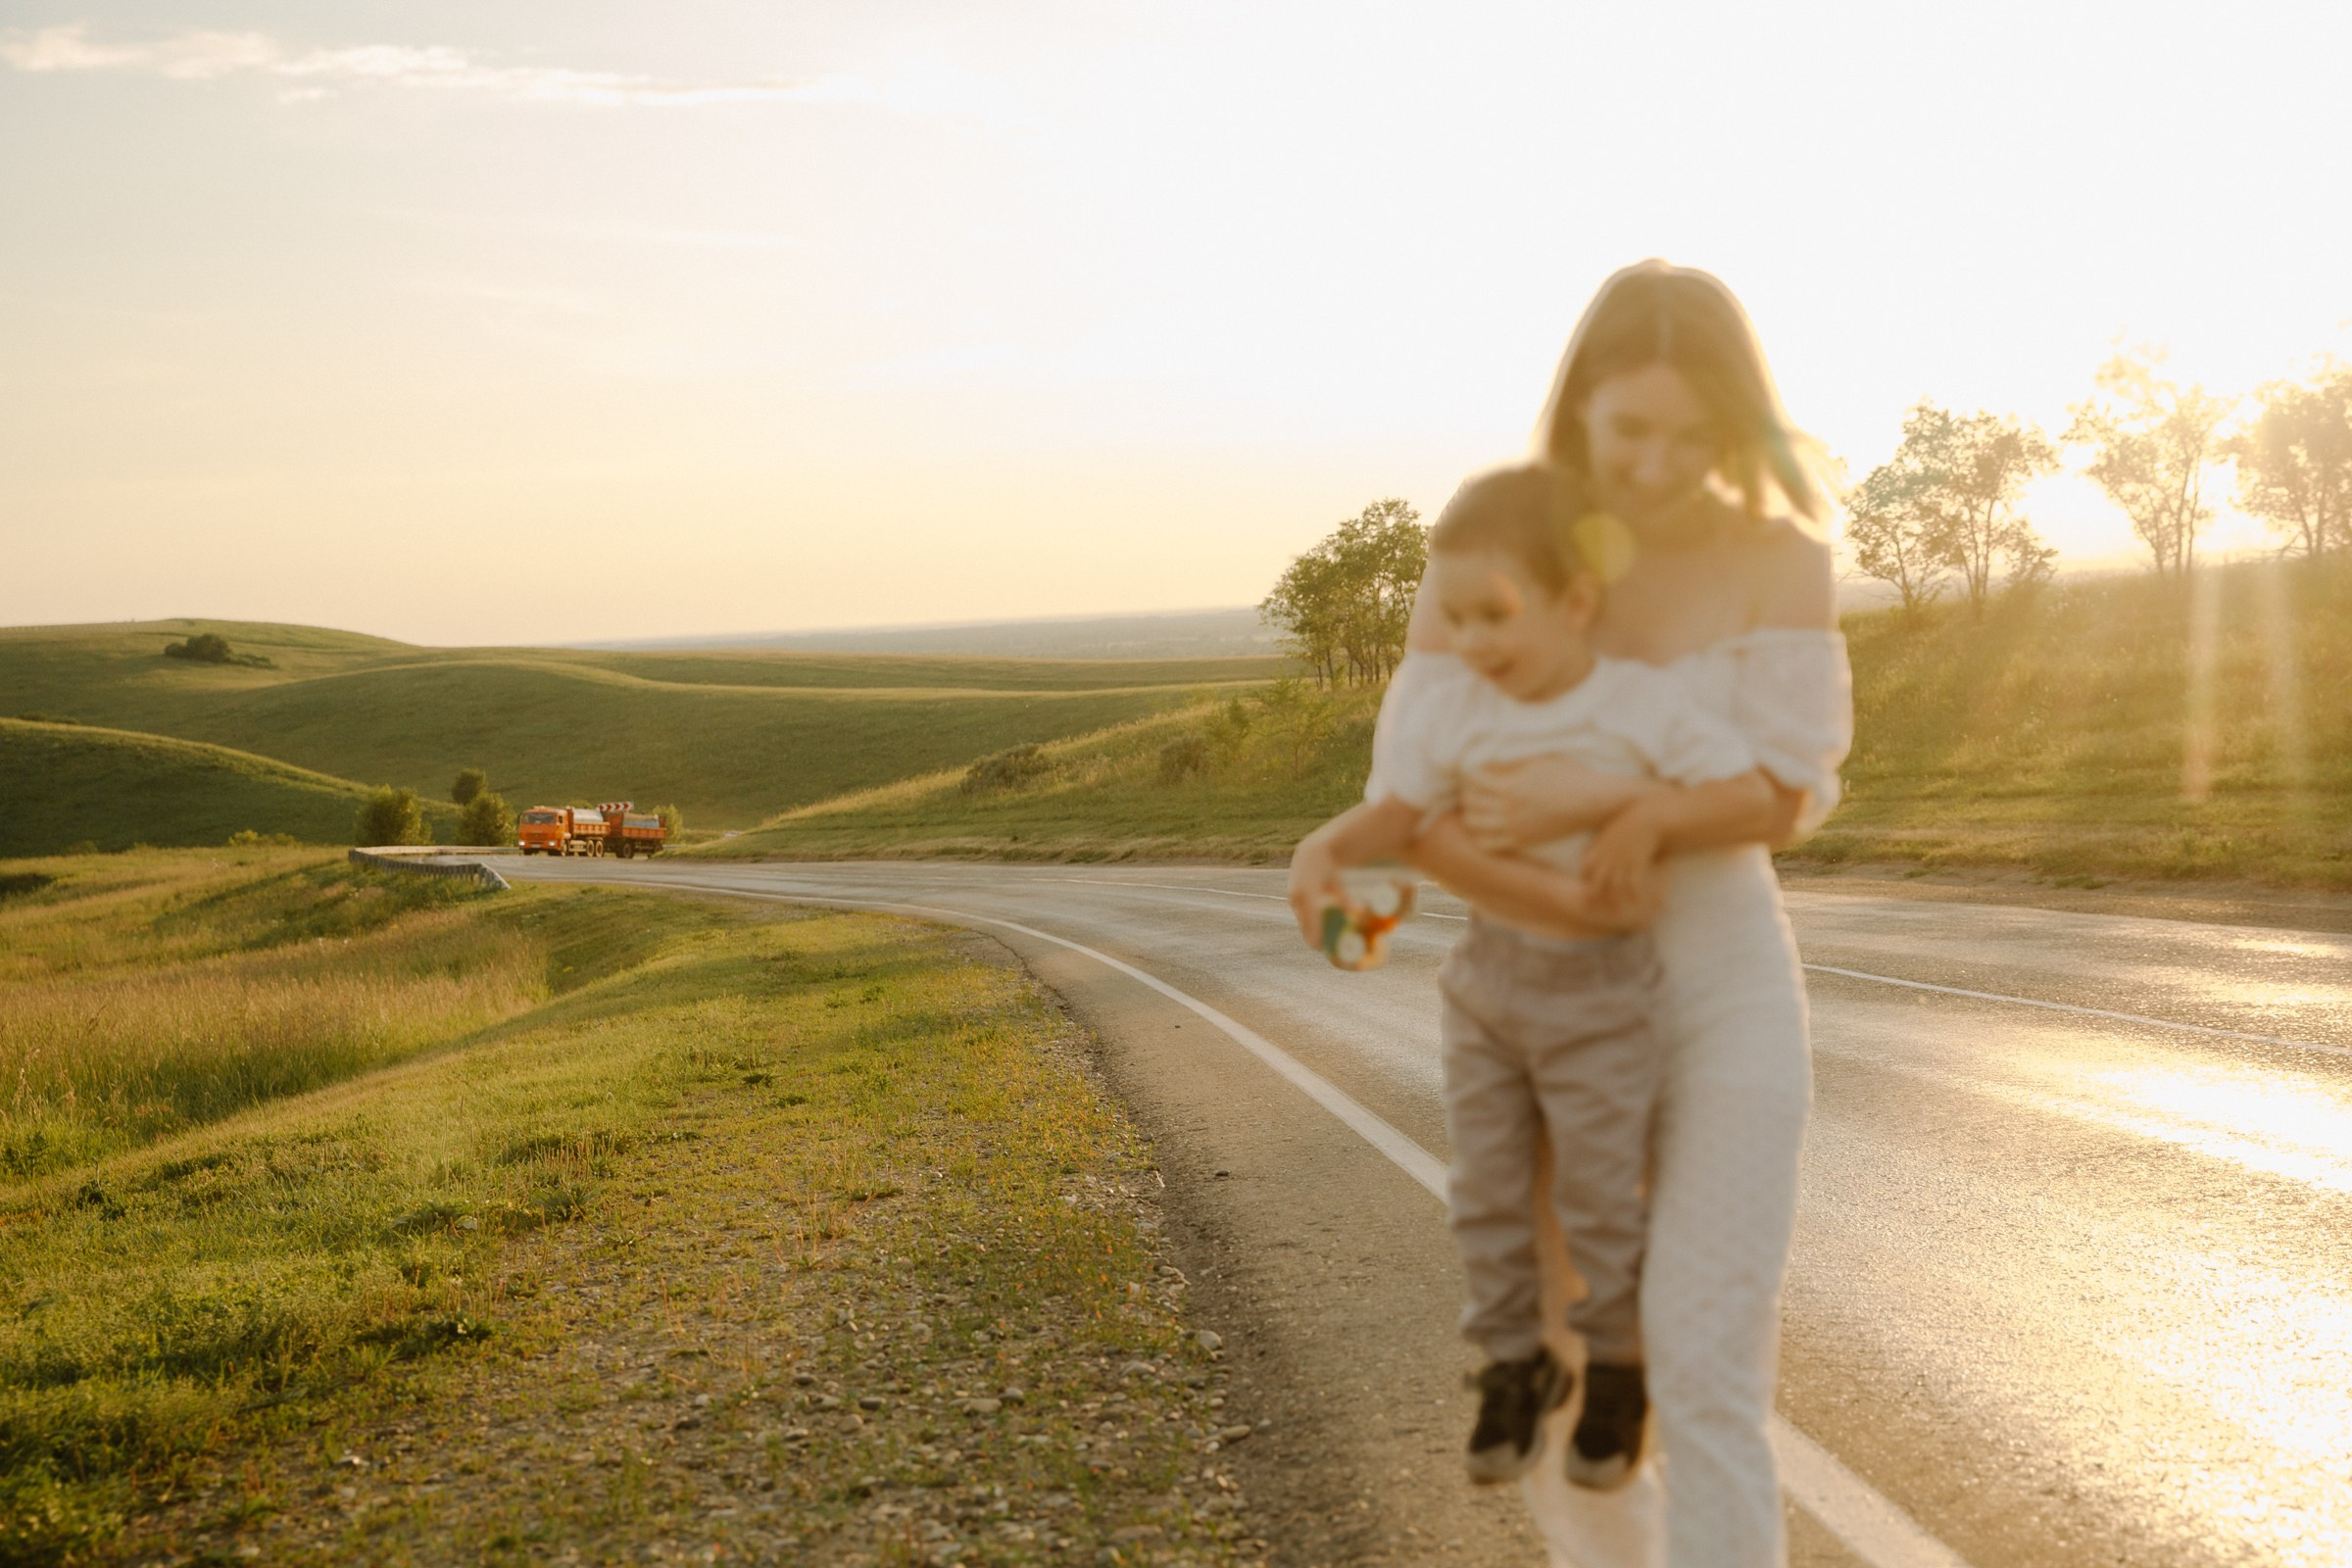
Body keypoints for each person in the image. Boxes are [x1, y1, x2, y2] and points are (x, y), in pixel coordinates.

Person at [1418, 261, 1852, 1568]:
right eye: (1631, 431)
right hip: (1542, 990)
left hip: (1724, 986)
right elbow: (1424, 802)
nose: (1659, 464)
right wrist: (1550, 882)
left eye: (1694, 435)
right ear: (1581, 409)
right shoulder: (1496, 551)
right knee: (1566, 1364)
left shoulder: (1782, 559)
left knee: (1709, 1358)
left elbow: (1786, 793)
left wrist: (1635, 806)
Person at [1286, 463, 1772, 1494]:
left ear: (1576, 601)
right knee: (1489, 1193)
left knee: (1601, 1196)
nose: (1470, 643)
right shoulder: (1459, 707)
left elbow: (1740, 794)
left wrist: (1642, 813)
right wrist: (1322, 849)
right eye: (1453, 618)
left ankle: (1619, 1369)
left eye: (1493, 615)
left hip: (1603, 990)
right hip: (1488, 984)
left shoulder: (1638, 707)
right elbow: (1400, 815)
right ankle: (1518, 1359)